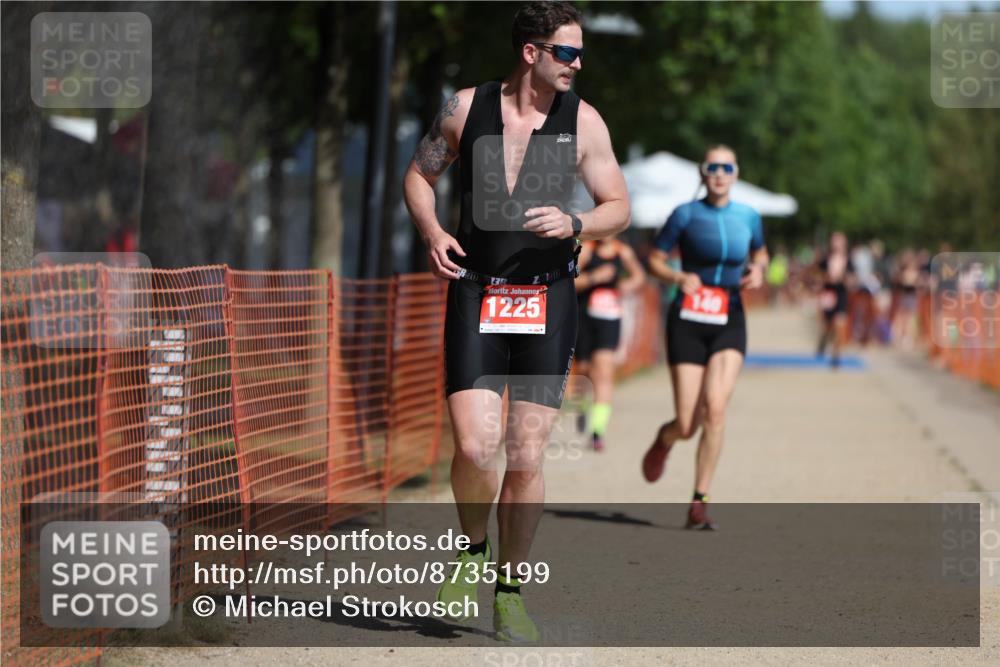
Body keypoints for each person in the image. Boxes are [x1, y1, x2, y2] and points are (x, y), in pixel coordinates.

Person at [402, 1, 629, 641]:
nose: (577, 63)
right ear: (531, 52)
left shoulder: (583, 122)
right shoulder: (464, 109)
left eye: (580, 52)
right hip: (476, 292)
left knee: (526, 457)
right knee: (475, 445)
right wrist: (433, 230)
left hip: (547, 297)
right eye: (567, 52)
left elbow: (620, 206)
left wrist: (578, 221)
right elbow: (418, 177)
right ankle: (472, 551)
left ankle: (510, 591)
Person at [641, 144, 768, 530]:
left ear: (736, 173)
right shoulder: (685, 214)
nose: (718, 173)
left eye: (726, 167)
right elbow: (655, 259)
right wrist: (678, 276)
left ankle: (699, 502)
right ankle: (665, 439)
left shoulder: (748, 216)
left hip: (729, 316)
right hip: (689, 319)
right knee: (687, 423)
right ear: (702, 173)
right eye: (712, 167)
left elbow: (760, 254)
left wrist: (759, 271)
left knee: (715, 408)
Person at [573, 236, 646, 451]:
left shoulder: (622, 251)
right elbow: (570, 281)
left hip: (610, 318)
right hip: (584, 318)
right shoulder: (586, 250)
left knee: (603, 373)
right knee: (585, 371)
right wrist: (594, 277)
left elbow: (639, 277)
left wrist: (627, 285)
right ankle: (584, 411)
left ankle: (597, 431)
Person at [814, 231, 855, 368]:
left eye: (839, 241)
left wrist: (845, 278)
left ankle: (836, 356)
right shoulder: (825, 259)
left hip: (841, 295)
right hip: (828, 294)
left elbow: (853, 278)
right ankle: (823, 340)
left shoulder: (848, 260)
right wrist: (826, 277)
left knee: (839, 325)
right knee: (827, 326)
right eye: (835, 241)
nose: (837, 244)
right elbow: (815, 274)